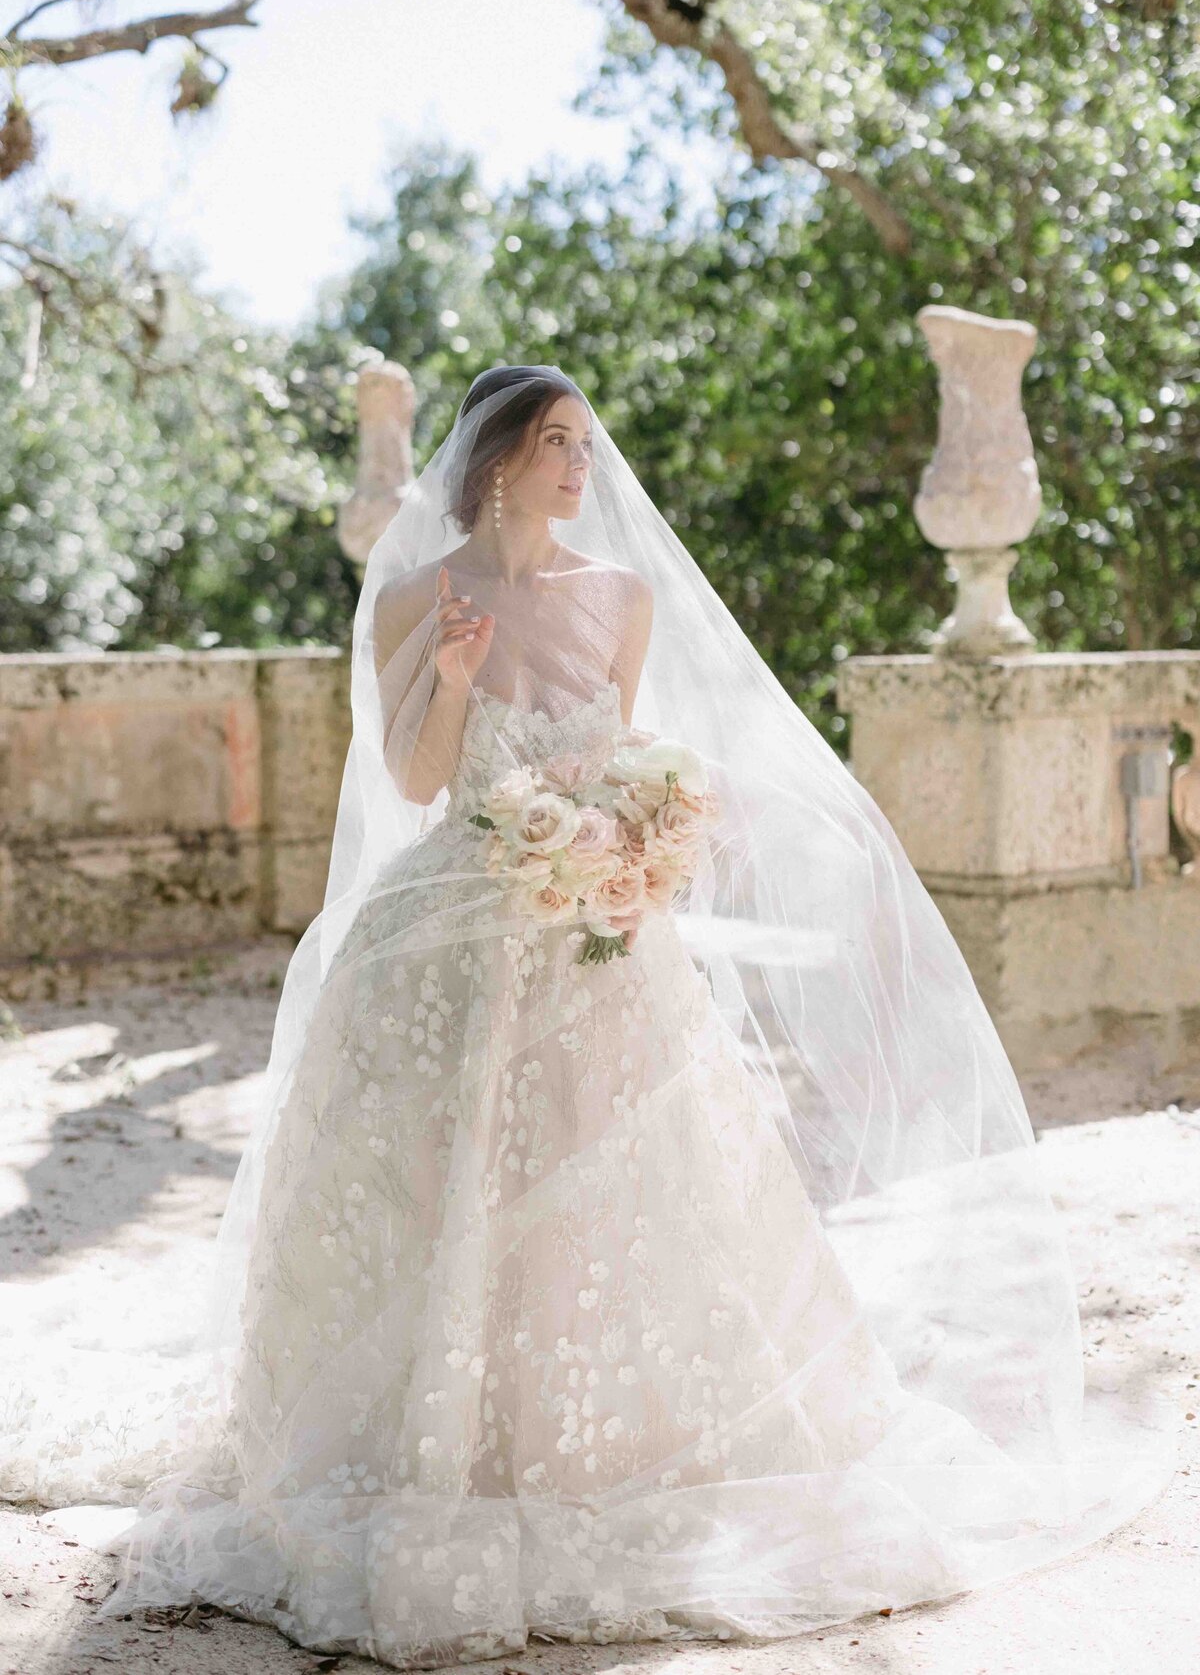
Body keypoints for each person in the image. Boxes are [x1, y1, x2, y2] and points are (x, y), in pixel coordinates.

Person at [86, 367, 1169, 1662]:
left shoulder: (623, 596)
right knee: (456, 1182)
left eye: (584, 448)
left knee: (615, 1177)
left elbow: (626, 753)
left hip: (603, 930)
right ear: (493, 465)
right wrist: (449, 673)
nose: (580, 470)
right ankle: (442, 1428)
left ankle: (604, 1429)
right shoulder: (420, 600)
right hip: (457, 930)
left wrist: (649, 830)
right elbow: (421, 781)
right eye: (555, 446)